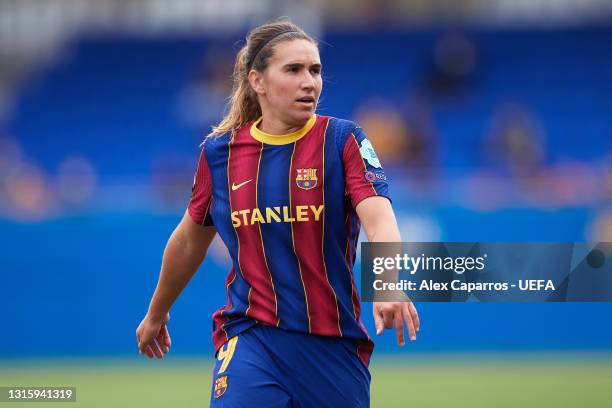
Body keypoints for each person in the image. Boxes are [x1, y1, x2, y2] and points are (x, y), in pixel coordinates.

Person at [136, 19, 420, 407]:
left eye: (315, 70)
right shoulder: (220, 155)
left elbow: (380, 218)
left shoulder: (343, 140)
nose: (310, 82)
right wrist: (157, 312)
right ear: (257, 81)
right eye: (294, 69)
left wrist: (387, 282)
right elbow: (188, 240)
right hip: (252, 337)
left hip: (333, 345)